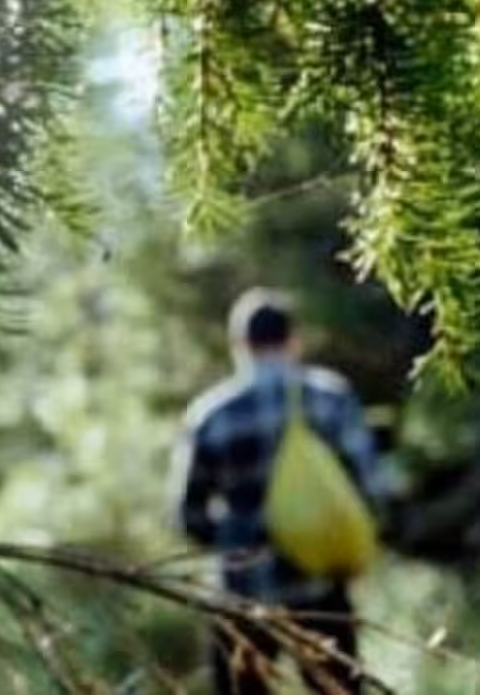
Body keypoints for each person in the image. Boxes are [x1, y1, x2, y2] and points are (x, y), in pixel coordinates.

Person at [172, 288, 384, 694]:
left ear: (238, 345)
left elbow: (189, 516)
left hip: (243, 595)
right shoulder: (330, 397)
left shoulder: (210, 416)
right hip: (322, 585)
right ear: (293, 339)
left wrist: (236, 545)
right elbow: (371, 487)